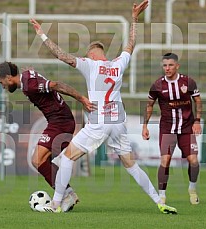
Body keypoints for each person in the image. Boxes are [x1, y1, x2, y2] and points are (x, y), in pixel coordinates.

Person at [30, 0, 177, 214]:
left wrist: (42, 34)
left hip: (99, 122)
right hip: (118, 123)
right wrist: (134, 18)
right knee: (131, 165)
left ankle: (55, 204)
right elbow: (130, 45)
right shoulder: (118, 63)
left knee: (67, 158)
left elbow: (61, 55)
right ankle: (159, 201)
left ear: (91, 55)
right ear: (104, 54)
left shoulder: (89, 65)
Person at [0, 62, 96, 212]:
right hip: (58, 122)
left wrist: (81, 99)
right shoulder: (26, 78)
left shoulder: (30, 84)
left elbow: (57, 85)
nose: (2, 85)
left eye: (1, 82)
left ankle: (66, 195)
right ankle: (67, 194)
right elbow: (36, 79)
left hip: (61, 123)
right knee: (43, 161)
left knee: (37, 160)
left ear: (9, 78)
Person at [142, 52, 202, 205]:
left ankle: (192, 188)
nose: (167, 68)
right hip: (168, 128)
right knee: (165, 160)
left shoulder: (188, 82)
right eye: (165, 65)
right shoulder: (157, 85)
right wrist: (145, 126)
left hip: (187, 127)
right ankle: (162, 195)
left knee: (193, 160)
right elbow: (149, 106)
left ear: (177, 66)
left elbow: (198, 101)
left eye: (170, 65)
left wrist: (197, 121)